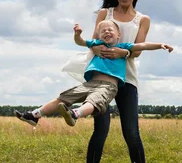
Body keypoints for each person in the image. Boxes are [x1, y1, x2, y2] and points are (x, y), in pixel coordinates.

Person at [15, 20, 172, 128]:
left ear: (118, 35)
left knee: (93, 101)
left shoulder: (124, 46)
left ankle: (75, 114)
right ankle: (34, 115)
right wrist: (77, 34)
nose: (106, 32)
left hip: (108, 86)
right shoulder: (97, 44)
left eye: (110, 30)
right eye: (103, 31)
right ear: (99, 35)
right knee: (63, 97)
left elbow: (143, 45)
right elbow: (80, 42)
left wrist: (160, 45)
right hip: (90, 84)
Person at [80, 0, 151, 163]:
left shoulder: (143, 19)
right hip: (101, 79)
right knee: (100, 130)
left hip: (127, 79)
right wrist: (98, 48)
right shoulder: (105, 14)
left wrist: (125, 51)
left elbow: (137, 51)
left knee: (131, 132)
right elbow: (93, 43)